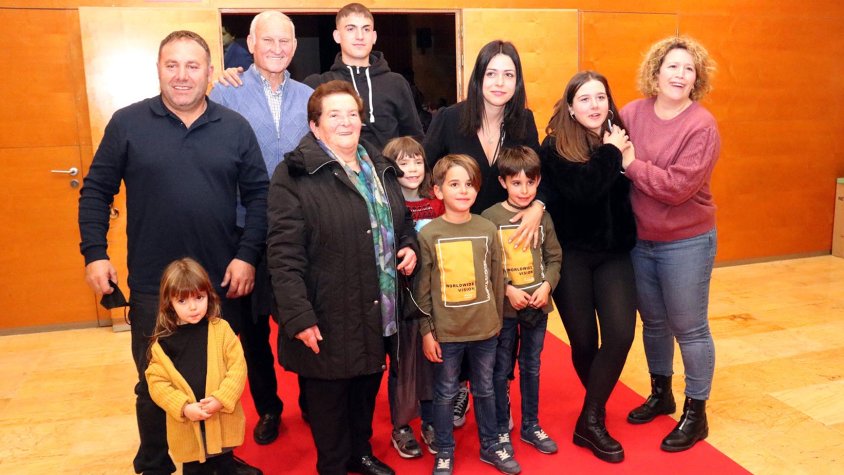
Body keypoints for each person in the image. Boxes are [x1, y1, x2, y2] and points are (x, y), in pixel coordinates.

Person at [78, 30, 267, 475]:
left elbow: (260, 195)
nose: (182, 75)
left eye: (192, 66)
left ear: (208, 73)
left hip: (218, 283)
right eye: (172, 65)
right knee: (153, 382)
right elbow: (96, 191)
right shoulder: (127, 123)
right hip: (152, 286)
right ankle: (155, 464)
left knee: (217, 377)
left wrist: (247, 255)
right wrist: (94, 252)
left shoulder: (235, 128)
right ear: (159, 69)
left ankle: (217, 459)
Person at [266, 80, 418, 475]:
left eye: (352, 113)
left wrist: (408, 245)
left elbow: (401, 223)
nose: (346, 122)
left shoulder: (379, 166)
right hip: (327, 308)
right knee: (330, 397)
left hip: (377, 305)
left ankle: (360, 453)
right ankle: (334, 463)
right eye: (334, 115)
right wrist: (298, 316)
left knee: (366, 384)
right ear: (315, 126)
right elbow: (283, 255)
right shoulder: (294, 174)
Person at [423, 39, 544, 429]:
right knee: (461, 314)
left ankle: (497, 388)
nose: (499, 82)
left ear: (517, 80)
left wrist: (539, 208)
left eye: (508, 74)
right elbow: (426, 173)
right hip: (459, 239)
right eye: (491, 73)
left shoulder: (524, 121)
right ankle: (459, 387)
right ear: (478, 77)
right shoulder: (449, 118)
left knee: (504, 323)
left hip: (510, 241)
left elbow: (540, 176)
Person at [210, 10, 313, 446]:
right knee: (252, 331)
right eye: (267, 40)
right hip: (243, 230)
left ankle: (313, 399)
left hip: (302, 231)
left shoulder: (310, 95)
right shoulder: (225, 92)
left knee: (305, 319)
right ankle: (268, 407)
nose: (276, 48)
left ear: (294, 46)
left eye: (284, 41)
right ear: (250, 44)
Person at [620, 36, 720, 453]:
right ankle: (661, 392)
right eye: (672, 66)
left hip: (686, 241)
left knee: (689, 328)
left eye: (688, 69)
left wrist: (631, 165)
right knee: (654, 323)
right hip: (639, 240)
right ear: (656, 71)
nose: (679, 75)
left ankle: (696, 413)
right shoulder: (630, 113)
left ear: (696, 79)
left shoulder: (702, 125)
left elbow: (677, 188)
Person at [539, 71, 637, 463]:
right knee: (583, 343)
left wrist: (623, 155)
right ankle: (594, 414)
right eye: (585, 99)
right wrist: (613, 153)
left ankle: (590, 418)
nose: (595, 105)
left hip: (614, 254)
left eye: (601, 97)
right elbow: (583, 192)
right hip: (572, 255)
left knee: (621, 334)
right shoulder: (555, 146)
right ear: (570, 107)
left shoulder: (621, 136)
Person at [416, 154, 518, 475]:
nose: (463, 191)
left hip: (485, 330)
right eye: (454, 184)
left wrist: (497, 321)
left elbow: (497, 276)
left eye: (470, 184)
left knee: (486, 388)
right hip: (446, 333)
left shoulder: (487, 229)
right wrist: (426, 331)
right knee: (445, 392)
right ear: (437, 190)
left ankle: (490, 444)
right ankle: (445, 449)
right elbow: (421, 291)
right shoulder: (428, 235)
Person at [481, 146, 562, 457]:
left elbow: (555, 257)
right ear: (503, 182)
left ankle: (531, 424)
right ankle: (501, 426)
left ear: (538, 181)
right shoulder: (489, 218)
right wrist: (506, 290)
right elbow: (485, 264)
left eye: (530, 182)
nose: (524, 190)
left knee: (532, 365)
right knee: (500, 368)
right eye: (516, 183)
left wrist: (547, 286)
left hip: (537, 306)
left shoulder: (544, 218)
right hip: (503, 308)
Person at [145, 258, 249, 475]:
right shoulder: (163, 344)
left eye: (199, 298)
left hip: (221, 423)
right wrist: (183, 407)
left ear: (208, 296)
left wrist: (221, 399)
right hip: (189, 430)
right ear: (169, 304)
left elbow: (237, 368)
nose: (193, 307)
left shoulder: (221, 330)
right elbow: (156, 383)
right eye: (182, 301)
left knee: (226, 468)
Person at [381, 136, 443, 459]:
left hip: (434, 298)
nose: (413, 168)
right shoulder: (385, 206)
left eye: (418, 161)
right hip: (401, 298)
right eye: (403, 162)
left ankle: (431, 420)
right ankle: (401, 424)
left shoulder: (436, 202)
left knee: (433, 359)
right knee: (403, 363)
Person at [302, 3, 423, 150]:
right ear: (337, 36)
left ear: (374, 37)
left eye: (366, 29)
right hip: (334, 171)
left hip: (388, 171)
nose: (360, 36)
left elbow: (414, 140)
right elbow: (308, 140)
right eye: (351, 29)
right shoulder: (318, 84)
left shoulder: (396, 83)